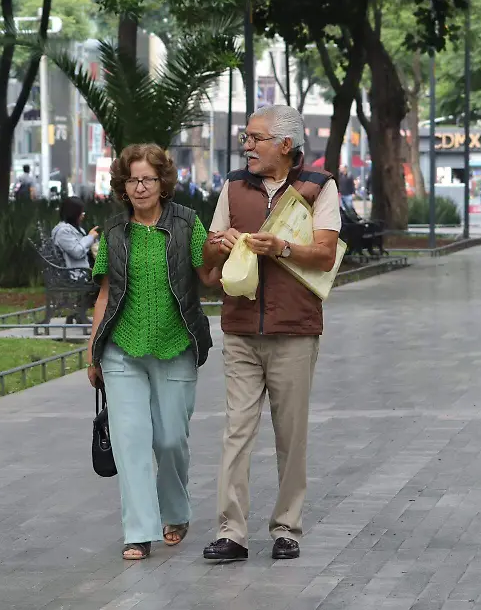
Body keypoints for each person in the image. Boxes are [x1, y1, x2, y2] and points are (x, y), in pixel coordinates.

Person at [202, 104, 341, 562]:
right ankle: (231, 532)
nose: (246, 146)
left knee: (291, 435)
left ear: (285, 144)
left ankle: (287, 529)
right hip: (241, 329)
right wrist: (218, 243)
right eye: (245, 138)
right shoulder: (233, 186)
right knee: (236, 432)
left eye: (255, 138)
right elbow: (207, 255)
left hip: (294, 330)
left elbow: (325, 254)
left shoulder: (318, 186)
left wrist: (281, 247)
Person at [86, 143, 218, 562]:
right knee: (131, 440)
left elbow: (208, 276)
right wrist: (93, 352)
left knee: (170, 439)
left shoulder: (187, 223)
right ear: (123, 186)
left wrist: (228, 250)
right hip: (121, 349)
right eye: (132, 180)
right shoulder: (113, 231)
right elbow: (104, 294)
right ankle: (139, 531)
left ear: (163, 183)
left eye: (148, 179)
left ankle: (175, 512)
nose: (140, 187)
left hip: (176, 343)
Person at [52, 196, 99, 275]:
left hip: (88, 269)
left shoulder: (76, 228)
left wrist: (93, 239)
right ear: (74, 214)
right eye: (81, 212)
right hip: (78, 274)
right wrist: (90, 237)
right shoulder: (63, 232)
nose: (83, 215)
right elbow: (77, 252)